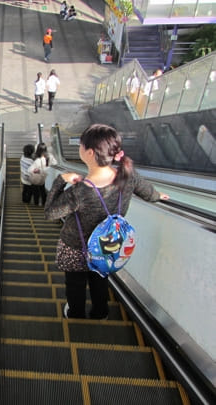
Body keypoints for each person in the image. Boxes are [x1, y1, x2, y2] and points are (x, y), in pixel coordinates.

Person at [44, 124, 169, 320]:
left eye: (81, 145)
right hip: (108, 246)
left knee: (75, 283)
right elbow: (149, 193)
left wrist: (60, 180)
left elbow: (50, 213)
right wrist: (158, 195)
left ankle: (75, 313)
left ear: (90, 153)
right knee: (100, 280)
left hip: (77, 247)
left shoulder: (80, 192)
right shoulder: (128, 176)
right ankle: (100, 312)